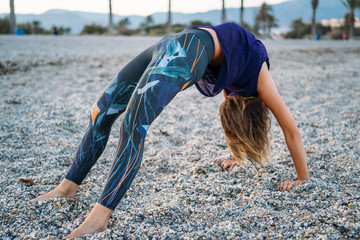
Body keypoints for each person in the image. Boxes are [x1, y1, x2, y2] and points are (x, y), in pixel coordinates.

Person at [31, 22, 309, 239]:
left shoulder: (248, 84)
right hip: (174, 45)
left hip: (187, 48)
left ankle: (99, 218)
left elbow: (281, 130)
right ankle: (67, 187)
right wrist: (292, 173)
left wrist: (300, 179)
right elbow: (291, 130)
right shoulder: (260, 80)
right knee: (101, 112)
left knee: (133, 125)